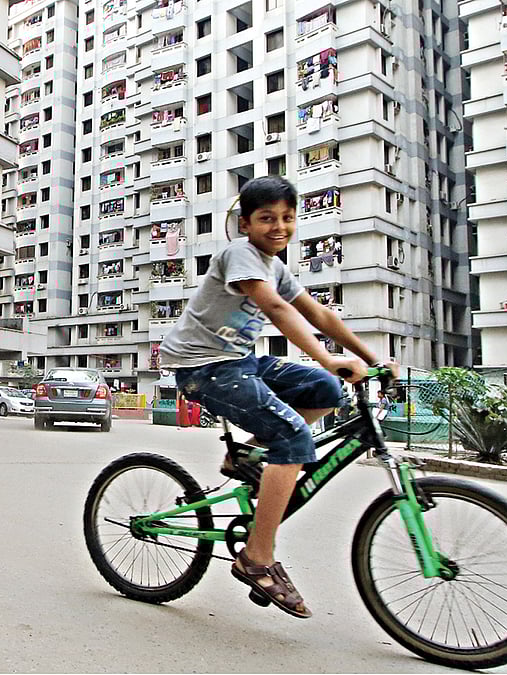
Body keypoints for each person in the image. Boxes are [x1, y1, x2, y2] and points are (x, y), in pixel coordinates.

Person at [158, 176, 398, 619]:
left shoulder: (276, 266)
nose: (279, 227)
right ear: (246, 223)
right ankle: (257, 558)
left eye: (287, 218)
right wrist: (328, 358)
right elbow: (277, 309)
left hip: (240, 362)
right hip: (203, 368)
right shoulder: (239, 255)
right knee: (292, 437)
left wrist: (374, 359)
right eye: (267, 218)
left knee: (326, 390)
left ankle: (245, 457)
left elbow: (320, 313)